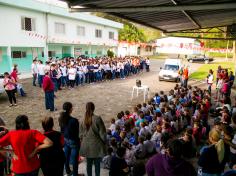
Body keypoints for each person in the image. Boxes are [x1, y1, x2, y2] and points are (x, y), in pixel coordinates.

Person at [79, 102, 107, 176]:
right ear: (93, 108)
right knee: (97, 164)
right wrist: (105, 142)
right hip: (96, 145)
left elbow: (80, 134)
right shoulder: (97, 119)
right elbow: (103, 134)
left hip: (86, 145)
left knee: (89, 164)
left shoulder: (82, 119)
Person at [59, 102, 80, 176]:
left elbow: (61, 130)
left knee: (66, 156)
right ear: (70, 109)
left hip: (65, 139)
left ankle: (67, 170)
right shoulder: (74, 120)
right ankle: (75, 174)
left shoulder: (61, 118)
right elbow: (77, 132)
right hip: (73, 140)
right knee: (74, 159)